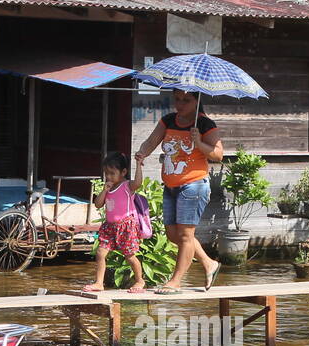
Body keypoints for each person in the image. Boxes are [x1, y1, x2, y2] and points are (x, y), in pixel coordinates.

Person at [133, 89, 224, 293]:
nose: (180, 104)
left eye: (186, 100)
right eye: (177, 100)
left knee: (185, 235)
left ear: (196, 101)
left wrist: (199, 142)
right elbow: (151, 141)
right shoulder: (168, 120)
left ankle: (175, 281)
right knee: (173, 235)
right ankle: (209, 264)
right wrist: (142, 152)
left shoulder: (205, 124)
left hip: (193, 185)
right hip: (171, 186)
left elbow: (218, 155)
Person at [85, 152, 146, 293]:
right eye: (106, 173)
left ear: (123, 172)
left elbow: (138, 183)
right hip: (109, 227)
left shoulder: (126, 186)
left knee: (130, 256)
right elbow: (98, 204)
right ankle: (99, 283)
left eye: (112, 173)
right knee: (100, 253)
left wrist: (138, 165)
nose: (109, 177)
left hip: (126, 226)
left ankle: (139, 280)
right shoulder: (108, 188)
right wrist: (104, 191)